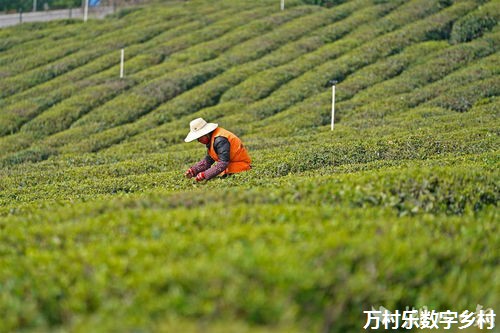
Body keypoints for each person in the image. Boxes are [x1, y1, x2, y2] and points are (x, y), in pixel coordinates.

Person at [184, 118, 251, 181]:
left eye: (200, 137)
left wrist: (204, 175)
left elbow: (223, 163)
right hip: (230, 170)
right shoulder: (212, 139)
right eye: (197, 139)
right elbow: (209, 160)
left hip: (240, 169)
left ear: (206, 133)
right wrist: (194, 170)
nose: (199, 141)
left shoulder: (220, 140)